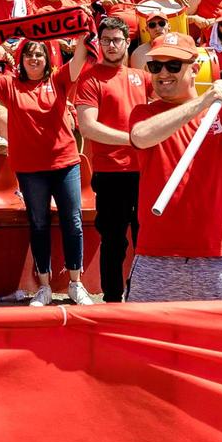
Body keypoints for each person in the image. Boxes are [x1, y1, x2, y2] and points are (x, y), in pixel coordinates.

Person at [116, 34, 222, 300]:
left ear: (195, 68)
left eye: (174, 66)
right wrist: (202, 102)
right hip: (158, 253)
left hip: (219, 253)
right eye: (156, 66)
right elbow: (142, 137)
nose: (163, 73)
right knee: (149, 339)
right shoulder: (145, 113)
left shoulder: (219, 114)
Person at [0, 35, 92, 305]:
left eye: (39, 55)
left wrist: (85, 31)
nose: (34, 59)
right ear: (21, 61)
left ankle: (75, 283)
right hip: (30, 169)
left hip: (65, 162)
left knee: (73, 222)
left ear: (47, 59)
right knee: (39, 224)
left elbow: (80, 57)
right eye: (28, 55)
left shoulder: (58, 79)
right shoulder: (10, 85)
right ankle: (44, 287)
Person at [75, 15, 150, 302]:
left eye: (116, 40)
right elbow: (87, 126)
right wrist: (131, 139)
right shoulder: (90, 78)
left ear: (127, 42)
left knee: (146, 239)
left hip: (144, 170)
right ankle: (112, 298)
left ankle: (144, 294)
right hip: (111, 172)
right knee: (114, 241)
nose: (110, 45)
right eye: (105, 40)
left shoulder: (142, 77)